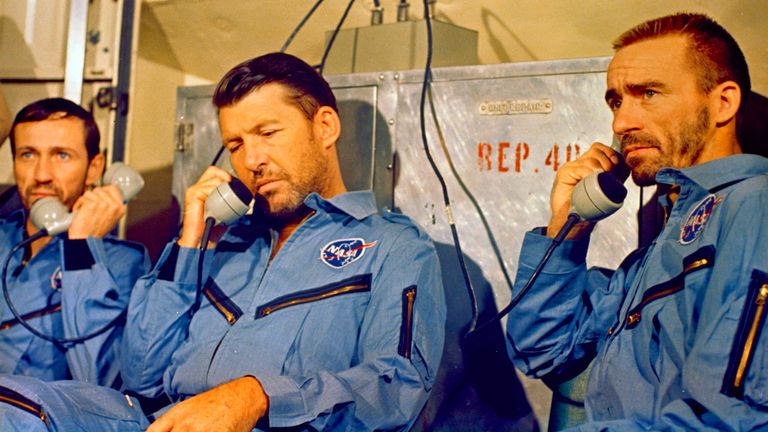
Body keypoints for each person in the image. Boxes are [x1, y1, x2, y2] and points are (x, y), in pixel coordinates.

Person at [0, 53, 445, 431]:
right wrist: (191, 243)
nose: (251, 160)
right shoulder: (221, 245)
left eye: (268, 133)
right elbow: (140, 376)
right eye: (235, 144)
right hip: (155, 420)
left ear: (324, 127)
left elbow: (398, 385)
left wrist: (257, 397)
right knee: (14, 403)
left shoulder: (393, 247)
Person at [505, 12, 768, 430]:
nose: (620, 123)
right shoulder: (653, 254)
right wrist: (568, 226)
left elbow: (728, 420)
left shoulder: (753, 209)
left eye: (648, 93)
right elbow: (541, 349)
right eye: (616, 100)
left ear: (723, 103)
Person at [0, 98, 149, 386]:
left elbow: (98, 381)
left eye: (62, 155)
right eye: (28, 155)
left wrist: (81, 247)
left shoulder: (124, 263)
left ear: (95, 168)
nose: (42, 174)